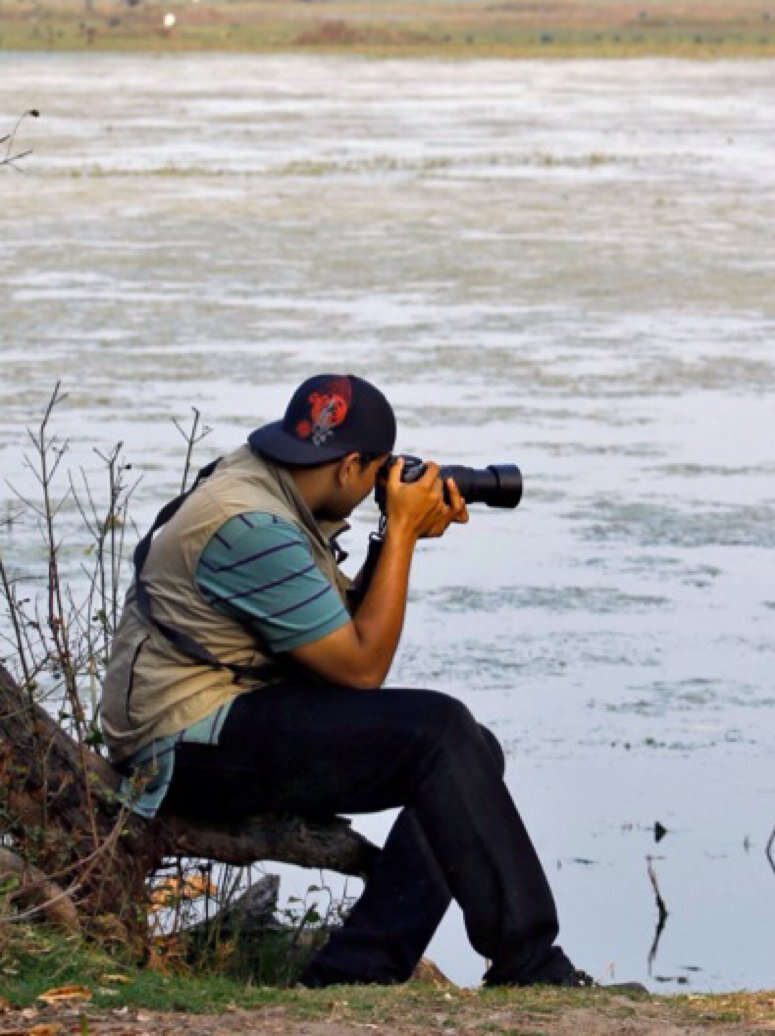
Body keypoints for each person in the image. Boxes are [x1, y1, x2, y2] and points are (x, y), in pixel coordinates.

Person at [100, 373, 594, 989]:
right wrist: (406, 537)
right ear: (351, 465)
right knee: (440, 732)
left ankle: (354, 972)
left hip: (221, 715)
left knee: (469, 749)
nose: (372, 490)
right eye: (374, 475)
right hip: (181, 745)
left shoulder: (267, 482)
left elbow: (325, 633)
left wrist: (390, 534)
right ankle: (530, 966)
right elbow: (360, 669)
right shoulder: (251, 526)